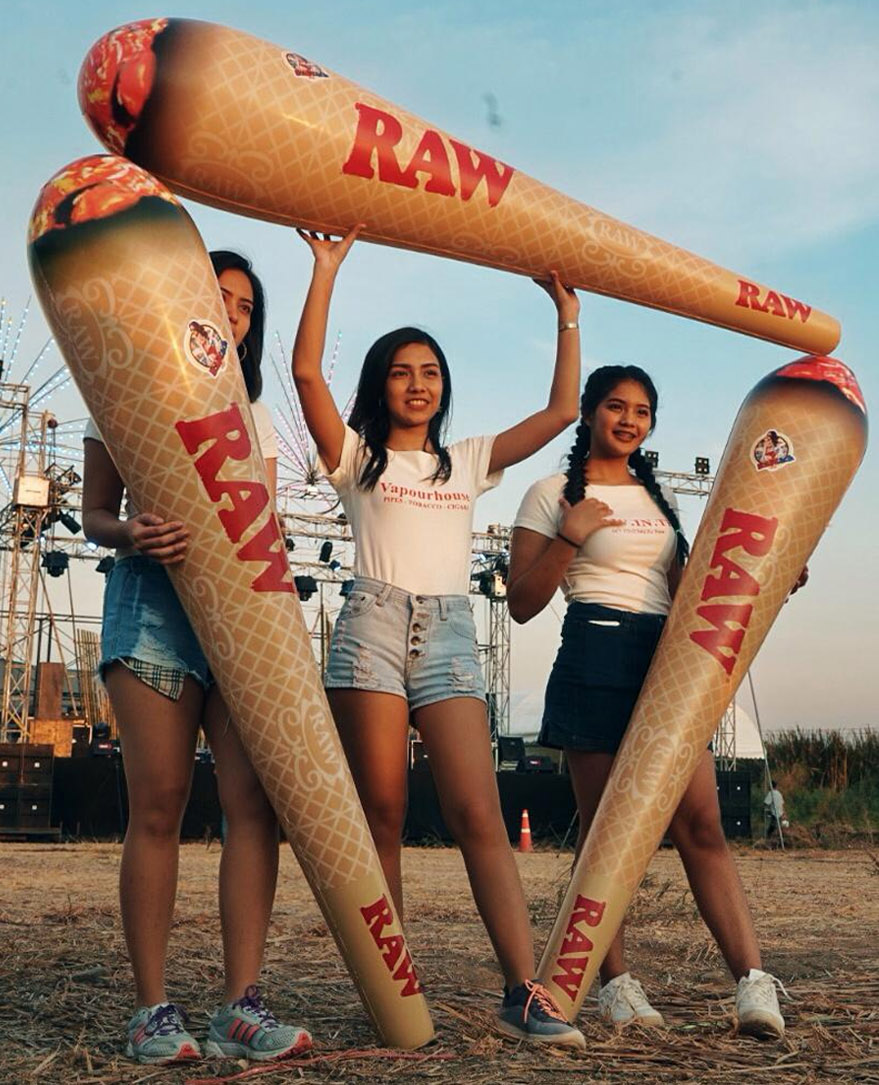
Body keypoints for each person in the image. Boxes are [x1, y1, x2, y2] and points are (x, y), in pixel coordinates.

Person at [292, 225, 585, 1046]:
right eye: (401, 371)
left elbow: (563, 411)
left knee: (476, 812)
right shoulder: (357, 458)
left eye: (429, 373)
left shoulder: (467, 460)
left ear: (443, 385)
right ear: (381, 385)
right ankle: (392, 988)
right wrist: (326, 268)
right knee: (379, 810)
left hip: (451, 632)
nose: (416, 384)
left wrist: (566, 312)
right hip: (373, 626)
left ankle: (524, 989)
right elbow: (307, 372)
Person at [505, 364, 793, 1039]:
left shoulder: (657, 502)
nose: (629, 420)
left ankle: (751, 979)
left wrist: (774, 577)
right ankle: (614, 983)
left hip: (665, 661)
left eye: (641, 411)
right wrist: (572, 533)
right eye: (615, 406)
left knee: (701, 824)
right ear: (589, 413)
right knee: (608, 835)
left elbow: (695, 590)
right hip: (593, 649)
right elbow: (520, 602)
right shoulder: (549, 492)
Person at [83, 250, 314, 1065]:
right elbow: (94, 514)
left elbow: (262, 525)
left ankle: (241, 1004)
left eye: (246, 305)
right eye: (218, 296)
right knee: (162, 801)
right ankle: (152, 1007)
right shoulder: (126, 382)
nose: (232, 311)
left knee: (255, 803)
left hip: (243, 614)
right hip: (153, 600)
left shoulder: (253, 411)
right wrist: (130, 531)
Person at [764, 783, 788, 849]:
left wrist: (767, 810)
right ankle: (777, 843)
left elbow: (766, 803)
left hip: (775, 814)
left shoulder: (770, 793)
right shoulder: (779, 794)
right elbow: (782, 805)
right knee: (778, 829)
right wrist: (784, 814)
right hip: (780, 813)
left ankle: (769, 844)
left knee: (771, 829)